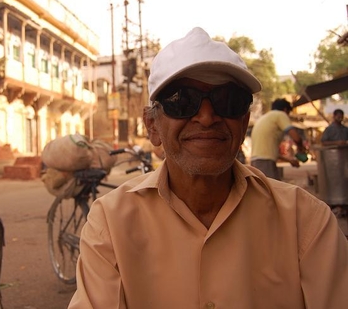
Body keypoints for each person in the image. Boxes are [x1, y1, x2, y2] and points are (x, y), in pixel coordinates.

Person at [68, 27, 348, 308]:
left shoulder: (305, 221)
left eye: (228, 101)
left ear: (244, 121)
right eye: (182, 101)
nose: (206, 117)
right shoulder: (111, 224)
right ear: (153, 126)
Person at [250, 98, 306, 180]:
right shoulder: (280, 114)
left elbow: (269, 152)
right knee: (271, 191)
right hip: (265, 162)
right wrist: (301, 148)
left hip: (256, 161)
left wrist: (289, 160)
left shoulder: (265, 118)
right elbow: (296, 137)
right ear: (285, 109)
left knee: (265, 190)